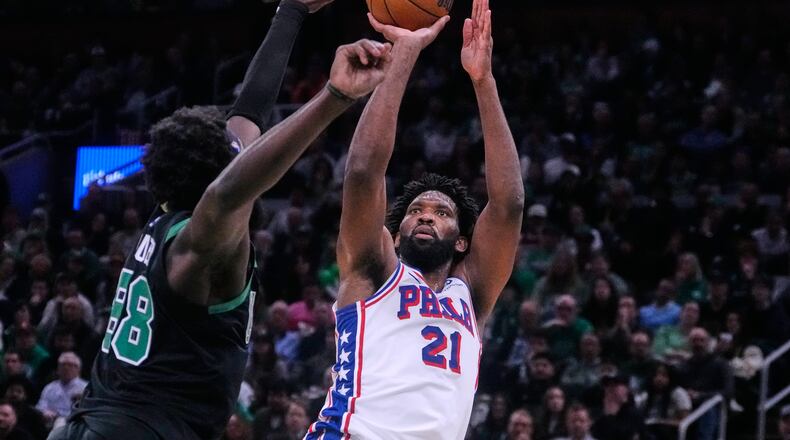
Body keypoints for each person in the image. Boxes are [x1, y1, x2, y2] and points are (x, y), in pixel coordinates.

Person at [54, 11, 391, 440]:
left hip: (95, 422)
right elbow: (227, 192)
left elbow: (250, 110)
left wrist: (291, 11)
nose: (248, 148)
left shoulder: (165, 221)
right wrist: (335, 96)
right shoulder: (199, 242)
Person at [306, 1, 524, 437]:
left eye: (441, 213)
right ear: (396, 231)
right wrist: (404, 50)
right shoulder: (373, 270)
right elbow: (364, 171)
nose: (425, 217)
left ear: (462, 241)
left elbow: (509, 205)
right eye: (415, 211)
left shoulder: (471, 296)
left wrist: (483, 81)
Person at [35, 353, 87, 425]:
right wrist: (45, 412)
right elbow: (40, 406)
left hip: (75, 423)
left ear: (78, 369)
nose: (66, 368)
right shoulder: (50, 387)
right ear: (58, 368)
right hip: (51, 422)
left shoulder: (85, 387)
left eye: (70, 365)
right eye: (63, 365)